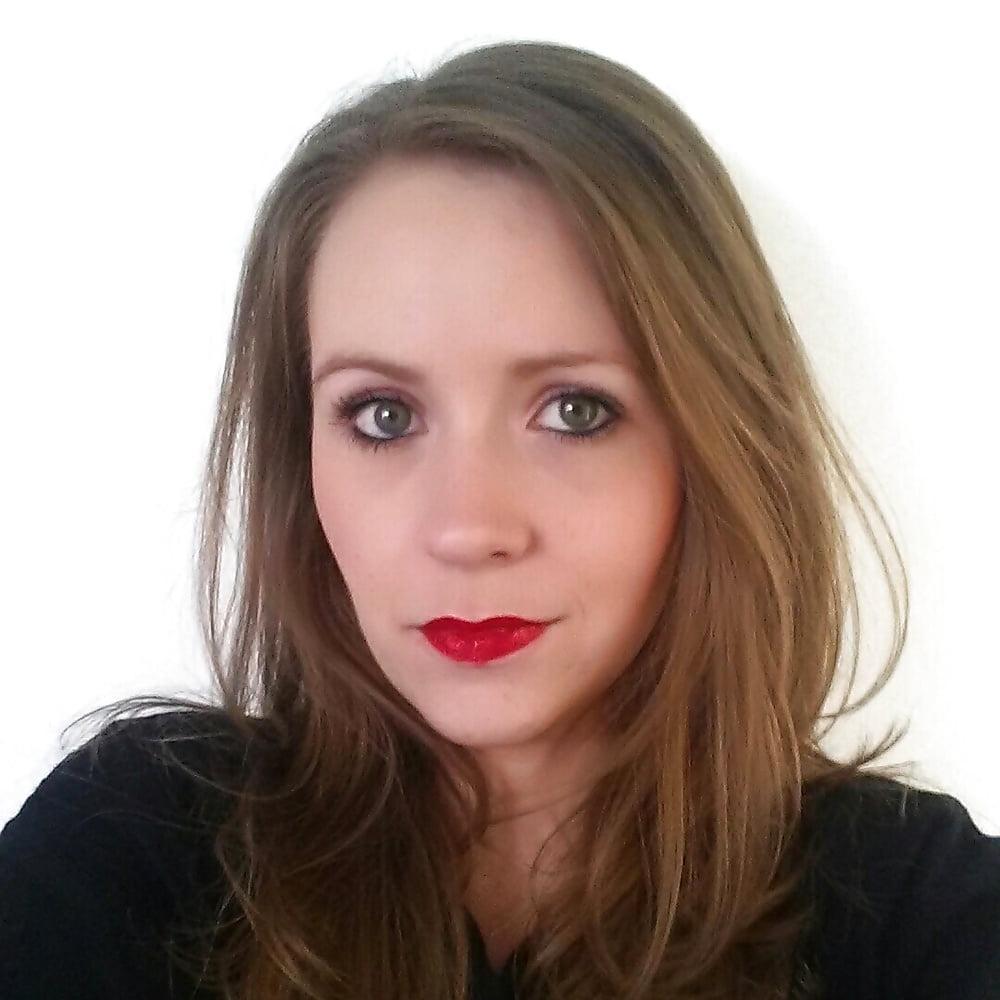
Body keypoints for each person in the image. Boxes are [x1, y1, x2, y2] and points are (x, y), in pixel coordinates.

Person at [2, 39, 998, 1000]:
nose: (467, 528)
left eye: (576, 411)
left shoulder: (910, 907)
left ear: (714, 446)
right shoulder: (136, 849)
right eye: (382, 416)